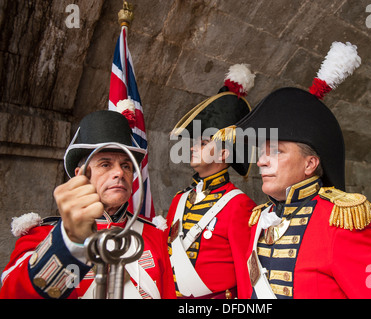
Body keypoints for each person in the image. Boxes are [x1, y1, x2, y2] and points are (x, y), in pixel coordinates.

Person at [231, 42, 371, 299]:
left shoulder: (343, 220)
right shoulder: (260, 218)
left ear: (309, 164)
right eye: (263, 152)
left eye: (277, 151)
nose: (261, 161)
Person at [0, 110, 176, 299]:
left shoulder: (154, 235)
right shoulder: (42, 235)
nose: (119, 173)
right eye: (105, 164)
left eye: (126, 166)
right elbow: (14, 293)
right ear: (80, 175)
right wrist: (69, 240)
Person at [165, 64, 256, 299]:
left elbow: (246, 274)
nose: (194, 147)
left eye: (204, 143)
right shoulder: (179, 200)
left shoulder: (239, 205)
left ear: (224, 154)